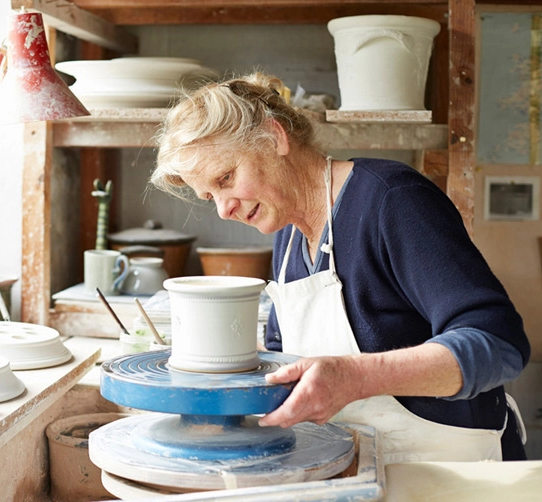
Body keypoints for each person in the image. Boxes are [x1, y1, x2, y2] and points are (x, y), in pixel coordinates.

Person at [149, 71, 530, 463]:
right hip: (357, 469)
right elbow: (286, 359)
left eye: (226, 178)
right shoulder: (289, 234)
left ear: (275, 137)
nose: (223, 209)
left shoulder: (392, 201)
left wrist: (357, 377)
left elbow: (499, 344)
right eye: (210, 195)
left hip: (452, 472)